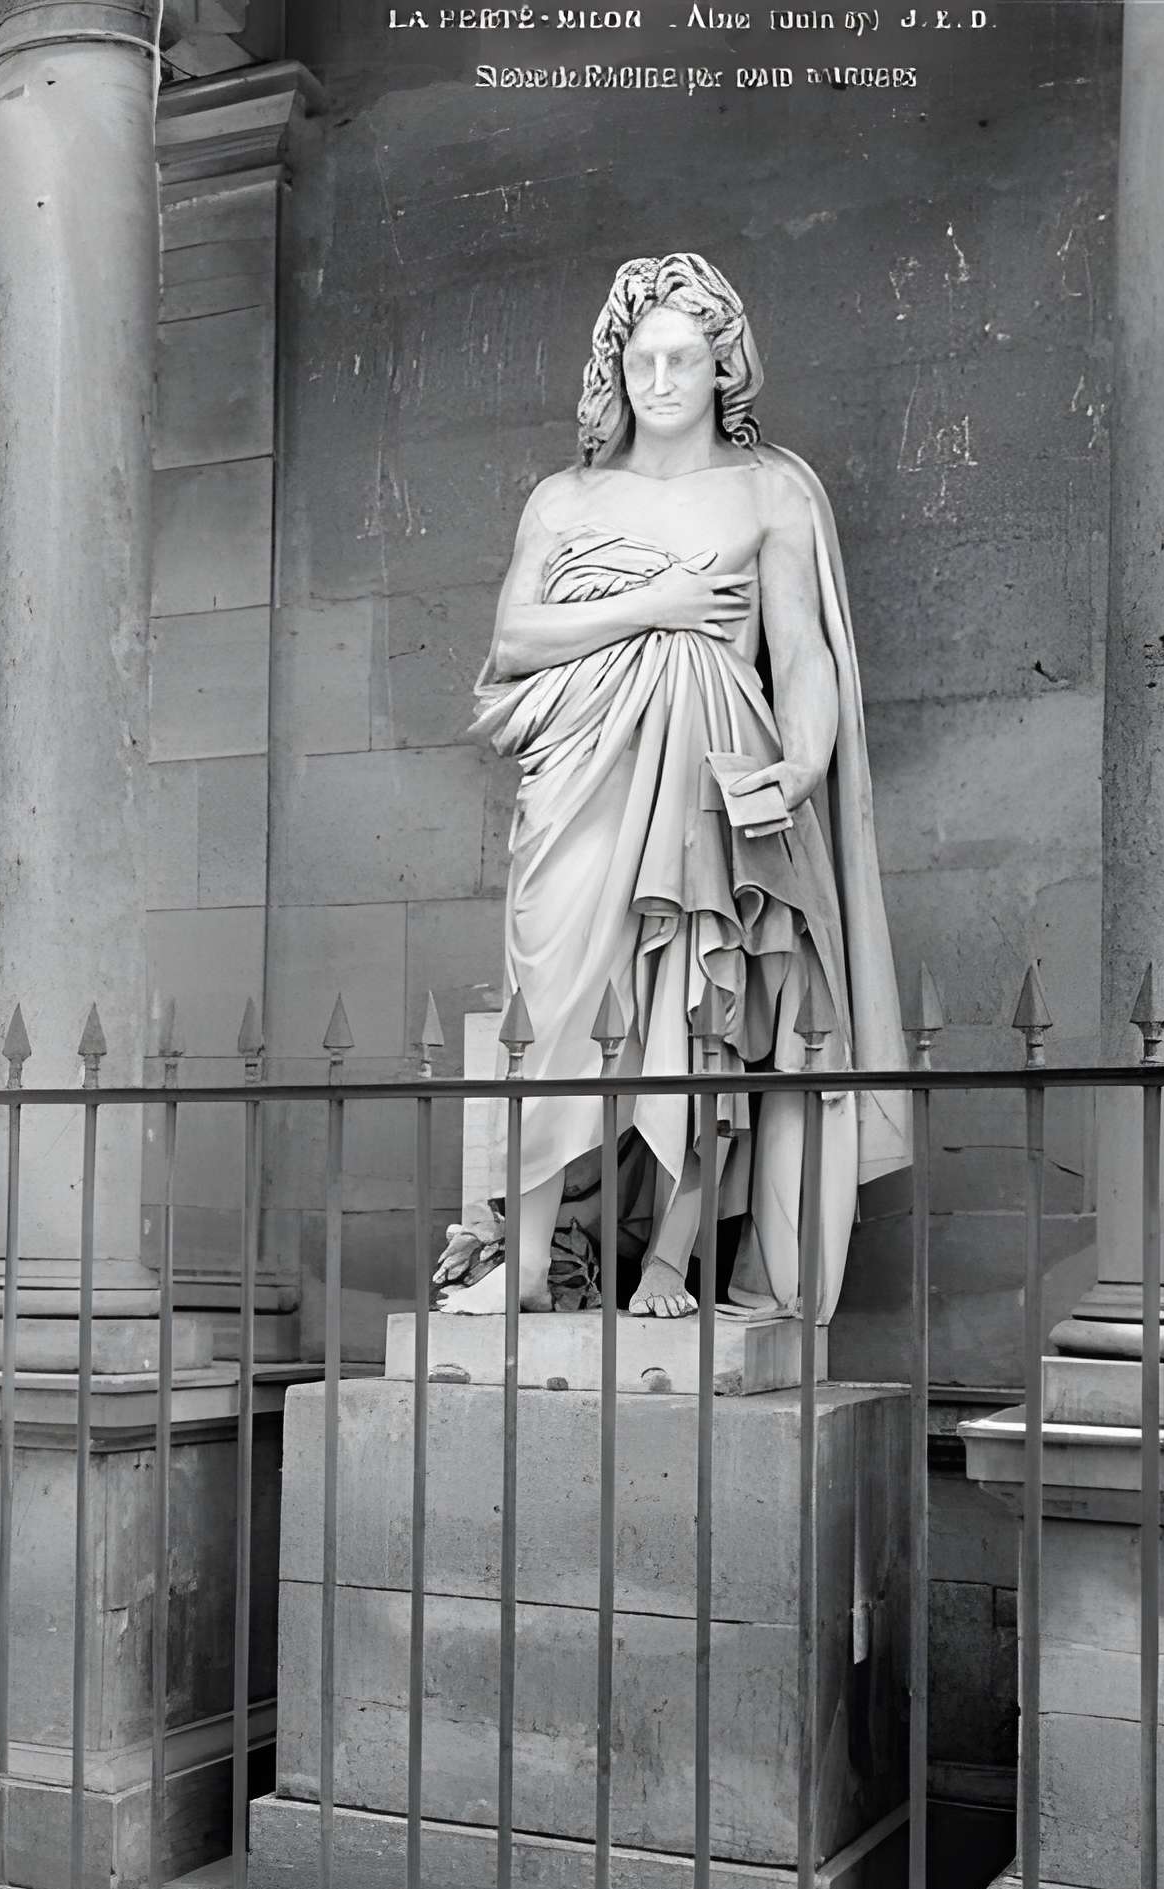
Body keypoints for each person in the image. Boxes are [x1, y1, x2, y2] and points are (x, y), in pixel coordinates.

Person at [467, 253, 908, 1322]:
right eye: (640, 357)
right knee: (555, 1001)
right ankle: (525, 1260)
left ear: (724, 369)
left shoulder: (770, 492)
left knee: (707, 998)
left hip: (714, 767)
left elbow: (801, 652)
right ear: (614, 369)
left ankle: (669, 1256)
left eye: (683, 357)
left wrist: (800, 764)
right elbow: (514, 637)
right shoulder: (564, 495)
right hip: (577, 771)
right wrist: (655, 603)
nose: (659, 378)